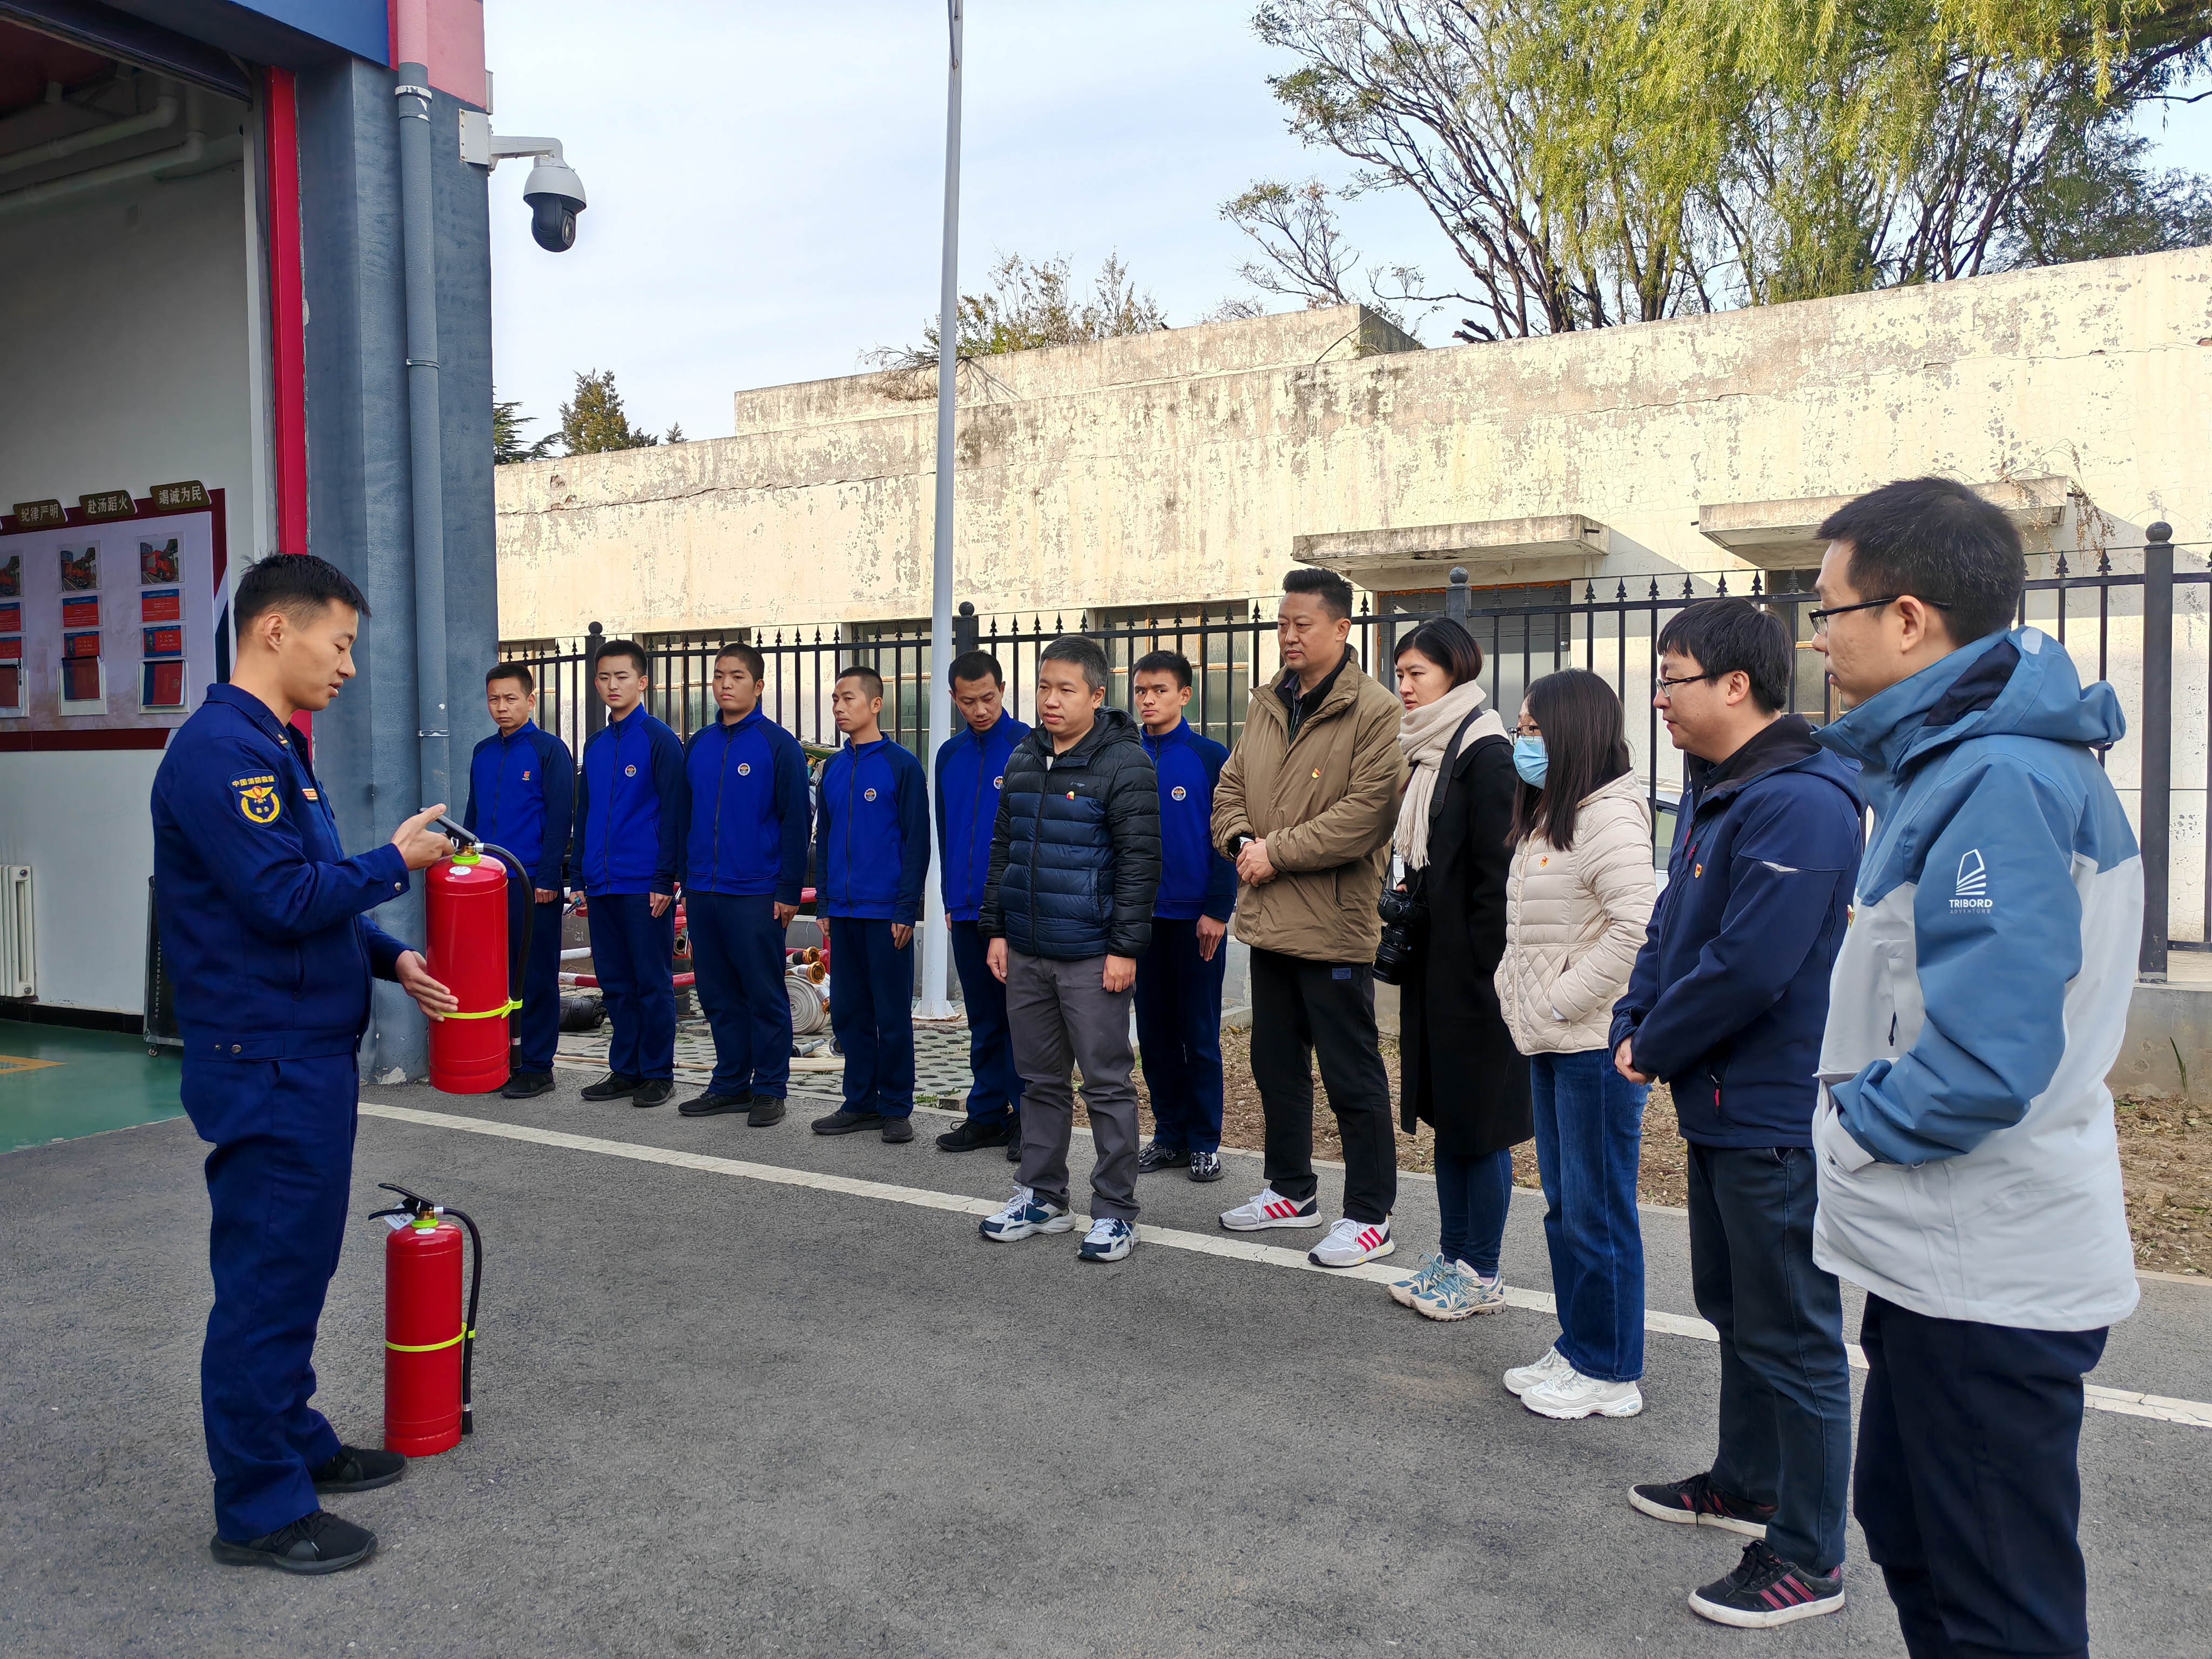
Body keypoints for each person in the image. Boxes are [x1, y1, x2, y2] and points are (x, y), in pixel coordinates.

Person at [1806, 478, 2140, 1659]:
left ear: (1907, 619)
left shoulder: (1996, 777)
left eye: (1826, 608)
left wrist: (1850, 1128)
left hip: (1985, 1266)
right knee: (1916, 1539)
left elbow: (1984, 1062)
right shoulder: (1961, 761)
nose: (1815, 636)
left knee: (1995, 1605)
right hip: (1944, 1257)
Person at [152, 554, 458, 1573]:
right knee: (267, 1281)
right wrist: (395, 864)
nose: (349, 665)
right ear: (276, 630)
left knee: (296, 1267)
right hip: (268, 1060)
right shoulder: (221, 755)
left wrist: (387, 955)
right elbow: (284, 898)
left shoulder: (273, 745)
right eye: (341, 643)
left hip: (301, 1054)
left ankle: (292, 1440)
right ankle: (259, 1507)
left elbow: (307, 891)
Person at [1610, 598, 1863, 1627]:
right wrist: (1635, 1014)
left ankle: (1809, 1555)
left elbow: (1752, 963)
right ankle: (1747, 1481)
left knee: (1793, 1334)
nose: (1659, 698)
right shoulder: (1718, 791)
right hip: (1717, 1101)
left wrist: (1654, 1042)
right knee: (1735, 1310)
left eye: (1672, 677)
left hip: (1771, 1110)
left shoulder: (1800, 801)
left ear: (1735, 684)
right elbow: (1670, 929)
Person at [1212, 567, 1408, 1267]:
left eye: (1302, 624)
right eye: (1282, 624)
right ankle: (1290, 1191)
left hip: (1333, 926)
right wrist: (1242, 842)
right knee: (1275, 1065)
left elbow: (1367, 815)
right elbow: (1231, 786)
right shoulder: (1270, 702)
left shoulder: (1377, 711)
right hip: (1269, 920)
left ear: (1341, 628)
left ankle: (1370, 1216)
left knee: (1351, 1075)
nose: (1289, 636)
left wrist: (1276, 852)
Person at [1492, 670, 1656, 1408]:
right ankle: (1580, 1346)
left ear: (1572, 733)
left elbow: (1637, 928)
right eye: (1520, 728)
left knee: (1597, 1210)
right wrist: (1515, 989)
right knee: (1567, 1206)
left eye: (1533, 729)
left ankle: (1610, 1371)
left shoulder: (1608, 819)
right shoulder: (1554, 815)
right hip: (1554, 1039)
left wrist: (1559, 999)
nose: (1522, 742)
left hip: (1592, 1043)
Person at [977, 635, 1161, 1262]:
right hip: (1027, 948)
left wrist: (1124, 948)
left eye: (1065, 689)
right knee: (1038, 1082)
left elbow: (1140, 864)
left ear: (1096, 695)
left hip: (1090, 953)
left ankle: (1115, 1212)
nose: (1050, 700)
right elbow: (1004, 850)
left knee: (1106, 1084)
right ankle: (1041, 1196)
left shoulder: (1124, 763)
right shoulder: (1025, 755)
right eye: (1044, 687)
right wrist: (997, 929)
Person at [1373, 620, 1524, 1318]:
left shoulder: (1486, 754)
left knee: (1480, 1126)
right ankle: (1453, 1253)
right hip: (1439, 974)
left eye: (1417, 674)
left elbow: (1500, 880)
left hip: (1476, 985)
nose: (1404, 686)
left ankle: (1481, 1270)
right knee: (1449, 1121)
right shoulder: (1434, 750)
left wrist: (1483, 975)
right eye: (1400, 673)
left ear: (1455, 673)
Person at [677, 644, 810, 1125]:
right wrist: (684, 878)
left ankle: (770, 1087)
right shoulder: (699, 744)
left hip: (756, 891)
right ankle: (731, 1082)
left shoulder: (778, 745)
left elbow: (796, 820)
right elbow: (684, 815)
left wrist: (788, 889)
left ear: (758, 686)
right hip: (703, 889)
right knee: (717, 993)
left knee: (763, 992)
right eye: (719, 676)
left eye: (736, 676)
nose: (725, 684)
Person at [810, 665, 929, 1144]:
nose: (839, 707)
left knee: (892, 1014)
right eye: (835, 699)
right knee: (848, 1012)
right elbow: (824, 840)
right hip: (842, 911)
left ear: (876, 704)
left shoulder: (902, 765)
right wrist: (824, 903)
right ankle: (859, 1102)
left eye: (849, 699)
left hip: (885, 913)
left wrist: (906, 909)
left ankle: (896, 1107)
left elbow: (916, 843)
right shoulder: (833, 768)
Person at [1130, 649, 1236, 1184]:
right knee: (1154, 1035)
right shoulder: (1123, 755)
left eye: (1160, 690)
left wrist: (1217, 909)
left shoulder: (1209, 756)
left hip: (1196, 921)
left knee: (1199, 1033)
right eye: (1141, 691)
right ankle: (1169, 1136)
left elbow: (1230, 837)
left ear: (1185, 695)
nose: (1148, 700)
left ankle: (1204, 1142)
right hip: (1139, 921)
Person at [572, 640, 684, 1109]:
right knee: (615, 981)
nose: (612, 685)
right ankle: (625, 1069)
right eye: (604, 677)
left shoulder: (660, 739)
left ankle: (658, 1073)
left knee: (651, 981)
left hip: (644, 883)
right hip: (601, 883)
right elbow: (585, 813)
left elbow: (675, 813)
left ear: (642, 682)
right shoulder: (595, 745)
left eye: (621, 677)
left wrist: (664, 880)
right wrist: (579, 875)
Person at [932, 649, 1031, 1157]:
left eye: (988, 698)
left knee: (1022, 1020)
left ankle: (1028, 1121)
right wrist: (950, 900)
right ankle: (987, 1114)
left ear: (1003, 690)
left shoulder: (1028, 746)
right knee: (983, 1019)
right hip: (966, 910)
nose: (980, 709)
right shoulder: (948, 755)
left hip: (1015, 913)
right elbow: (946, 830)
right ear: (954, 698)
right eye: (968, 701)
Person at [462, 663, 574, 1100]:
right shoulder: (482, 752)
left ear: (531, 700)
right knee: (494, 975)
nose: (501, 707)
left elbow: (560, 818)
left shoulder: (549, 750)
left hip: (531, 884)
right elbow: (472, 818)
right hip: (487, 884)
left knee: (537, 975)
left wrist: (548, 876)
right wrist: (468, 870)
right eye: (494, 699)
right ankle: (501, 1060)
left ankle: (538, 1066)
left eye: (511, 699)